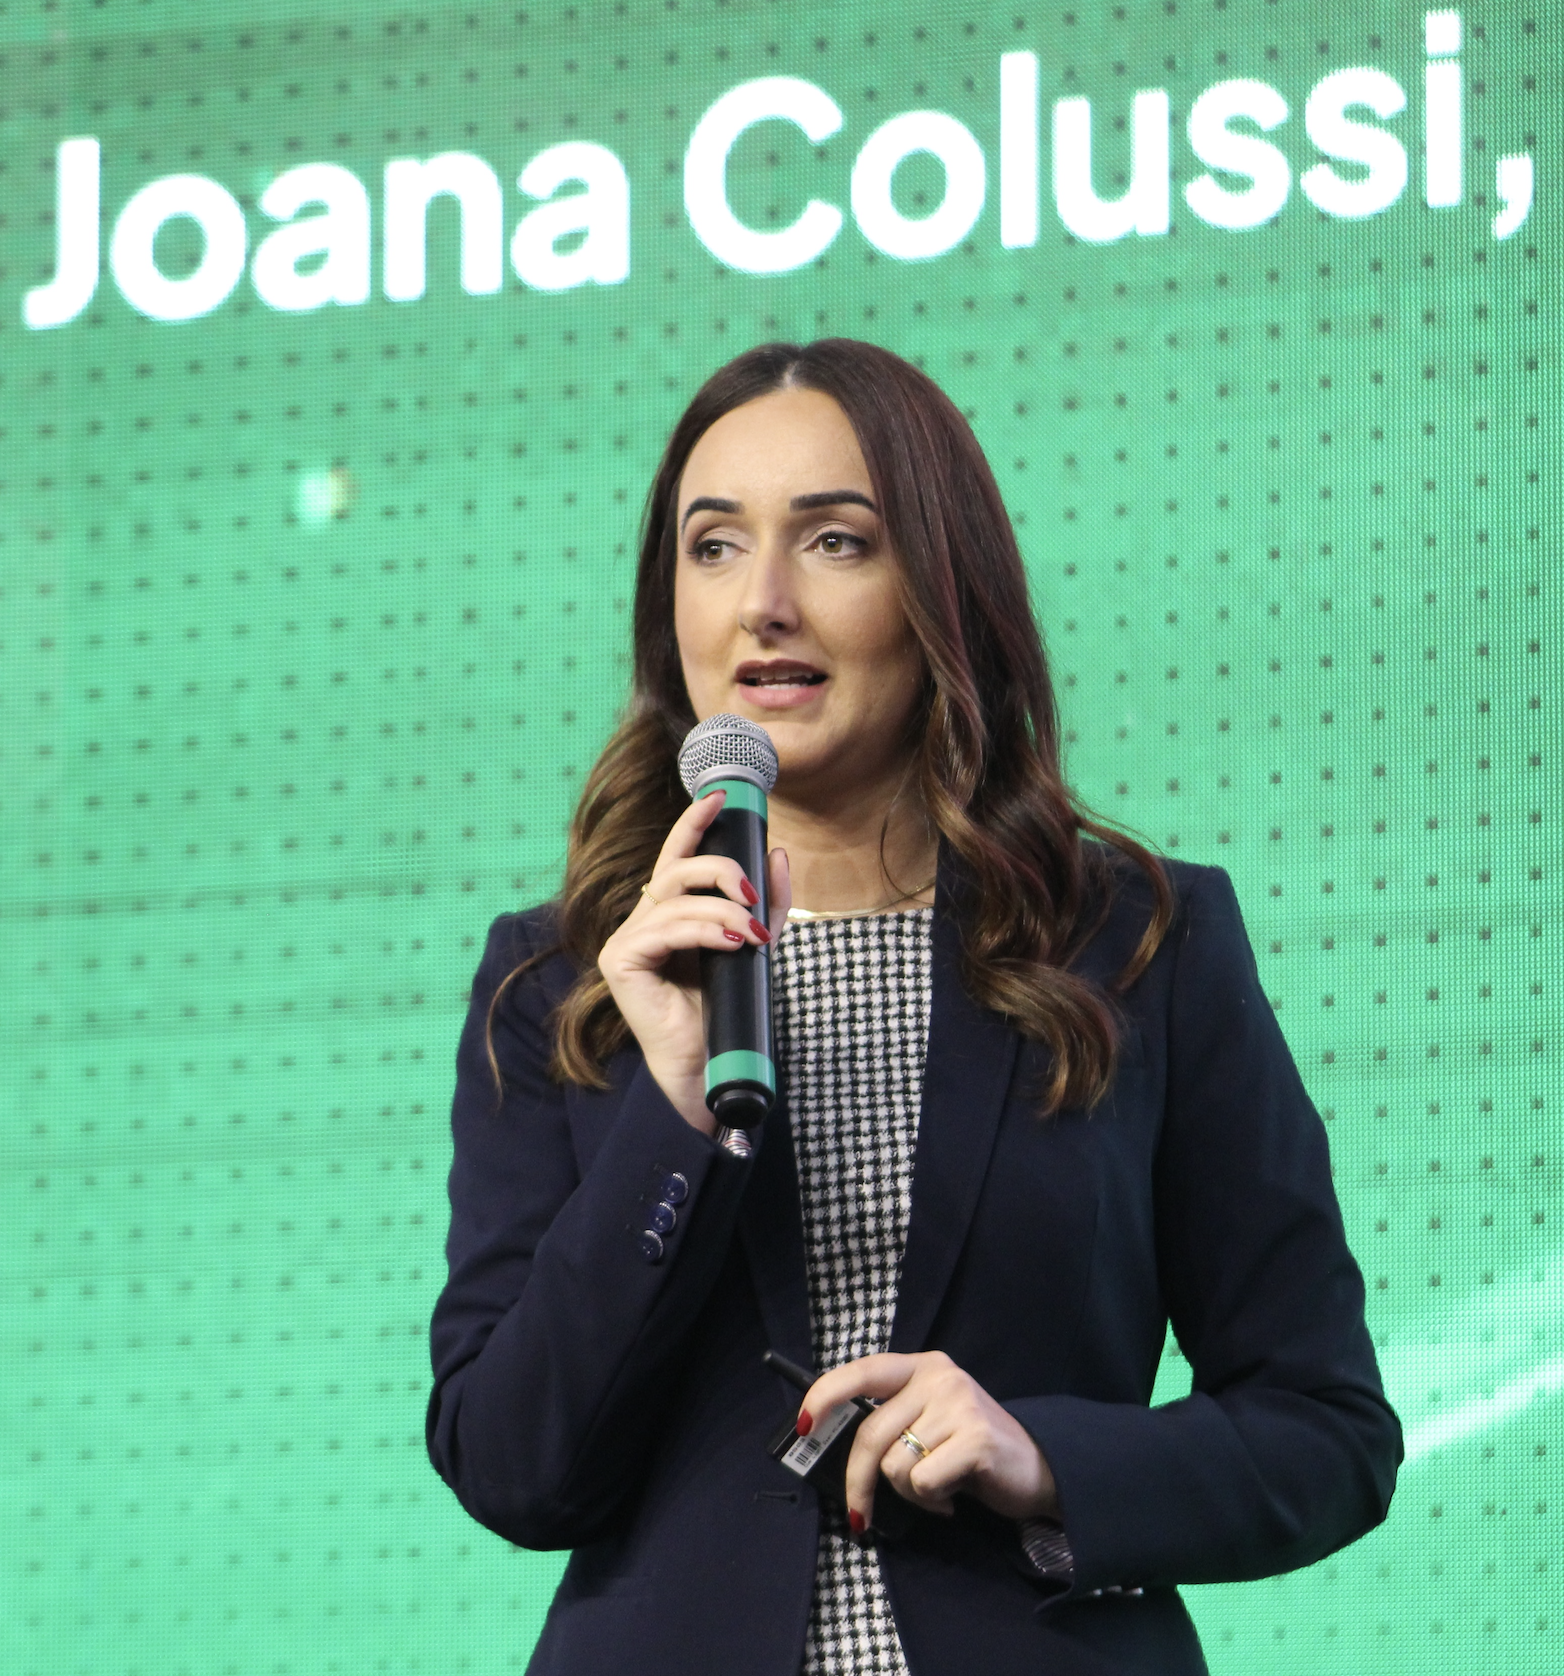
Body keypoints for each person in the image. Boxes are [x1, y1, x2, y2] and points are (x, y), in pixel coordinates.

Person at [426, 339, 1401, 1676]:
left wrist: (1045, 1456)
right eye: (712, 550)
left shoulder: (1141, 945)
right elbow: (513, 1469)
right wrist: (668, 1110)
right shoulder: (563, 983)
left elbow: (1326, 1436)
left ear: (940, 589)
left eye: (833, 542)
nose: (762, 603)